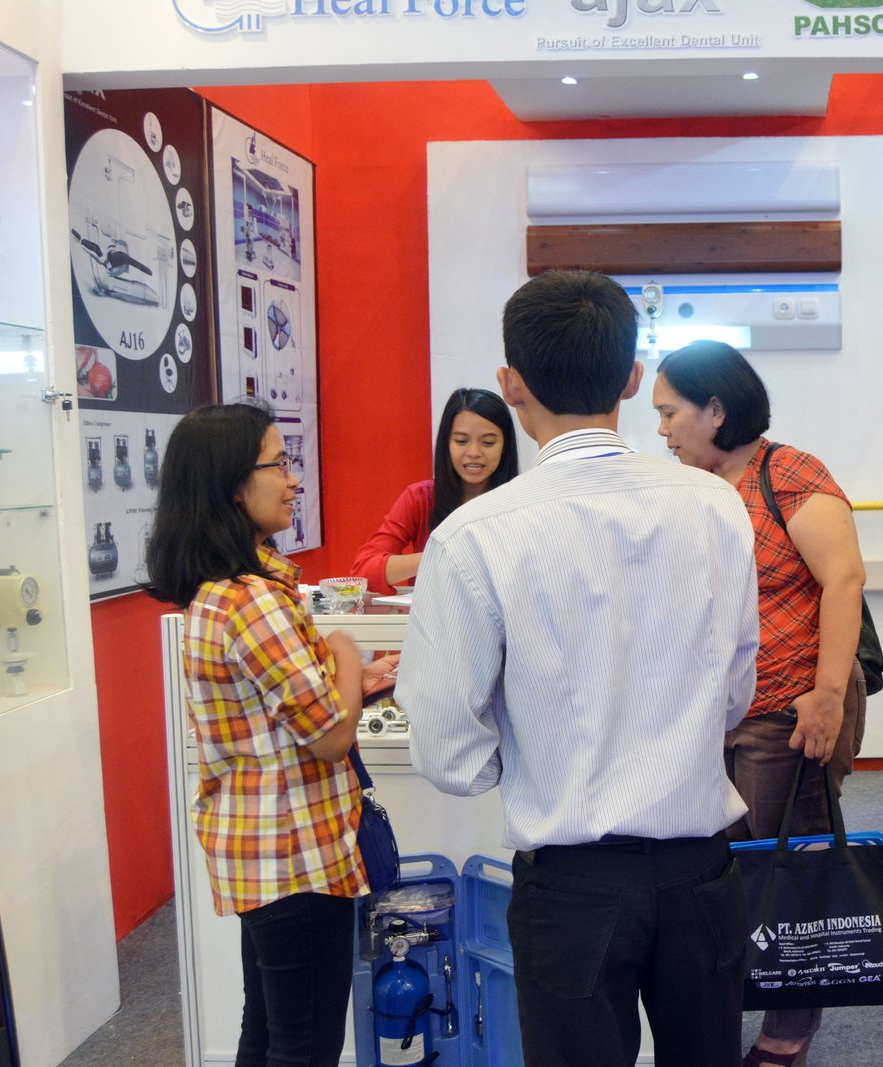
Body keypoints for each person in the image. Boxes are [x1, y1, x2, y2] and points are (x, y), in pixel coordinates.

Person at [397, 270, 760, 1067]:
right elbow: (736, 694)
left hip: (569, 883)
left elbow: (448, 753)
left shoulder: (472, 534)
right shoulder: (715, 504)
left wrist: (536, 752)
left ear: (510, 385)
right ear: (632, 377)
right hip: (702, 870)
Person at [144, 402, 394, 1067]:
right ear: (234, 485)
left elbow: (281, 712)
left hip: (265, 854)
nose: (293, 479)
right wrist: (345, 654)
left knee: (266, 1035)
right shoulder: (251, 599)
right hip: (297, 859)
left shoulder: (216, 593)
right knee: (303, 1047)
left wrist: (350, 679)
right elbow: (330, 736)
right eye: (279, 464)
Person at [653, 340, 868, 1067]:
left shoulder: (789, 474)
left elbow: (844, 580)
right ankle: (734, 1006)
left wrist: (827, 697)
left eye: (670, 412)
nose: (661, 429)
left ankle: (786, 1036)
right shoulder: (691, 485)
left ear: (715, 409)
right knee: (720, 874)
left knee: (787, 871)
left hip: (787, 716)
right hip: (713, 719)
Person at [350, 387, 518, 595]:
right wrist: (440, 555)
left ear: (504, 445)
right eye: (461, 441)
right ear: (446, 443)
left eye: (488, 442)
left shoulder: (522, 502)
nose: (474, 452)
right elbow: (364, 570)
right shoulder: (421, 497)